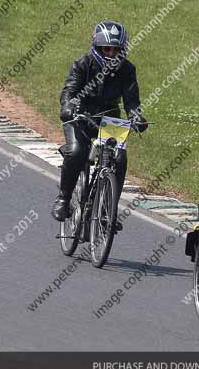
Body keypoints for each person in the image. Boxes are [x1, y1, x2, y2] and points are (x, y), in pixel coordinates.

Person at [51, 20, 147, 225]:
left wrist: (136, 117)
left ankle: (107, 210)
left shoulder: (128, 70)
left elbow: (132, 100)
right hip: (80, 116)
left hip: (109, 118)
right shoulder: (82, 64)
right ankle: (63, 198)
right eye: (107, 49)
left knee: (119, 159)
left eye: (116, 49)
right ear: (97, 47)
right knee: (76, 152)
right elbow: (69, 91)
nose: (111, 53)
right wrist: (68, 107)